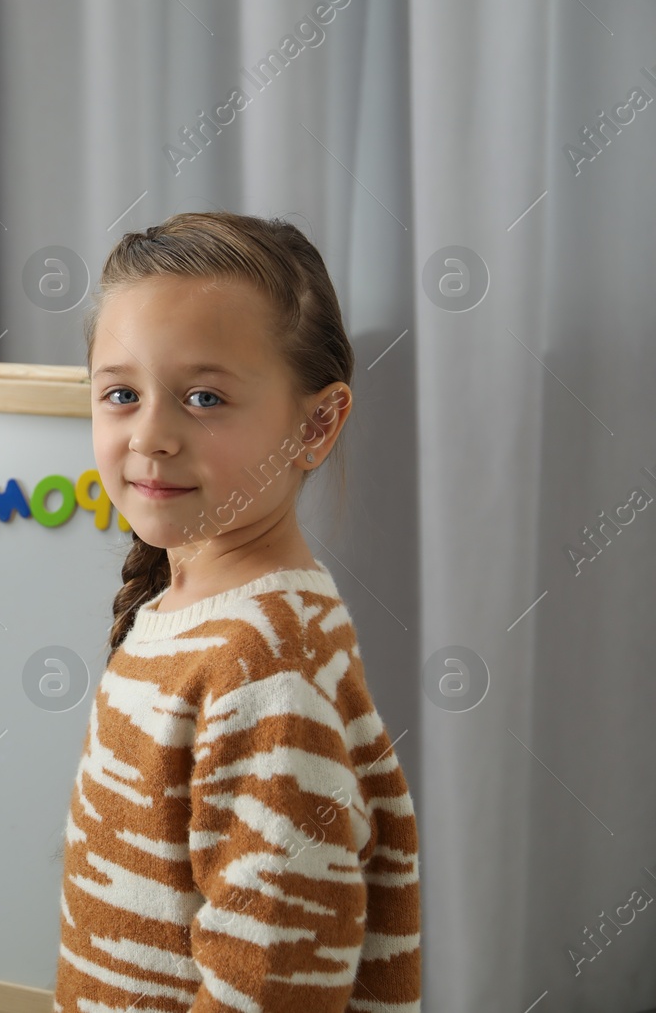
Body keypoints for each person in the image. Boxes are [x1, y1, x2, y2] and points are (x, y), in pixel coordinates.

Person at [55, 212, 420, 1010]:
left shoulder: (266, 667)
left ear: (315, 424)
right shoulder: (197, 613)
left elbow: (271, 984)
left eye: (204, 397)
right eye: (122, 393)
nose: (151, 434)